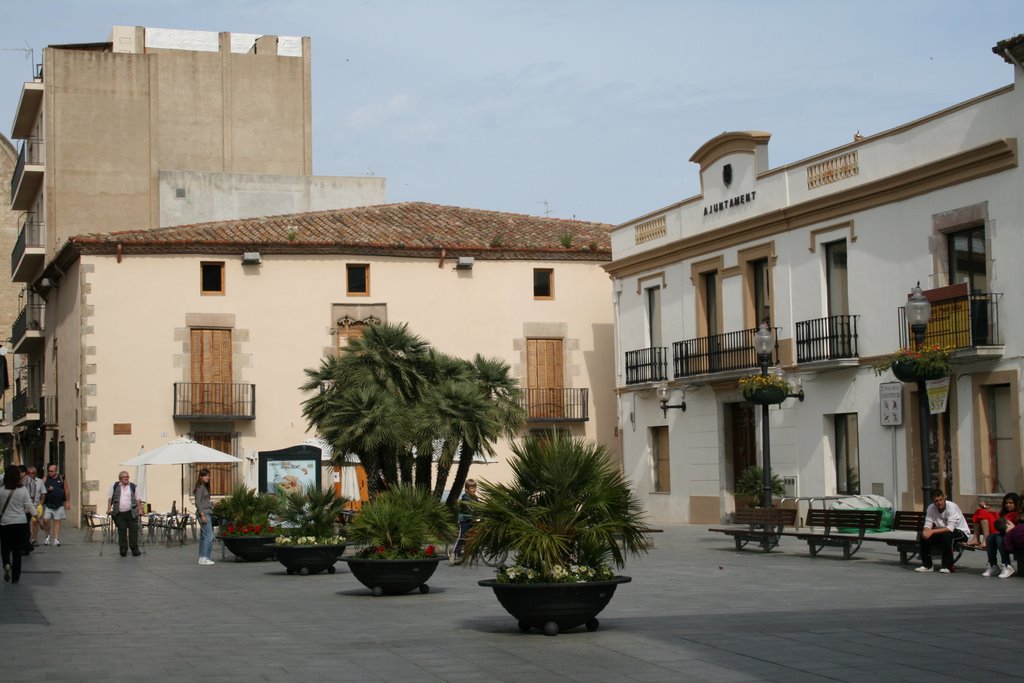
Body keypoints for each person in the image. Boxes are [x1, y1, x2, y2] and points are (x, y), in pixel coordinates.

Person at [915, 489, 971, 573]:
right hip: (943, 532)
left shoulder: (952, 507)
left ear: (944, 498)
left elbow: (950, 528)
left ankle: (948, 566)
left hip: (961, 533)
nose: (939, 503)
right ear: (933, 501)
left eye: (940, 500)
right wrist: (926, 531)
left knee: (947, 535)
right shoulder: (931, 508)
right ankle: (927, 565)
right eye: (936, 501)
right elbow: (928, 524)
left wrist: (932, 531)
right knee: (923, 537)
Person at [1, 467, 37, 583]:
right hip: (20, 523)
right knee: (17, 551)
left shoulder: (1, 490)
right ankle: (15, 577)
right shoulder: (23, 490)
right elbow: (30, 505)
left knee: (5, 546)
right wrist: (39, 520)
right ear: (18, 476)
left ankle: (6, 563)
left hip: (5, 523)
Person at [980, 492, 1020, 578]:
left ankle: (1007, 565)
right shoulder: (1004, 513)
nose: (1008, 505)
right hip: (1007, 537)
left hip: (1016, 540)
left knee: (999, 538)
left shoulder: (1017, 514)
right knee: (990, 537)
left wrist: (995, 514)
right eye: (1006, 503)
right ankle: (993, 565)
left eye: (1011, 503)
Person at [106, 471, 144, 557]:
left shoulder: (133, 486)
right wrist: (108, 509)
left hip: (131, 512)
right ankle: (123, 549)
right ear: (120, 479)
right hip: (119, 513)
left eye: (127, 476)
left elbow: (138, 499)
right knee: (122, 531)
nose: (126, 478)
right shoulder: (115, 486)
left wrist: (140, 509)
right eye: (124, 477)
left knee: (133, 531)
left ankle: (134, 549)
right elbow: (110, 498)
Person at [41, 465, 71, 547]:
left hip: (59, 504)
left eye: (51, 471)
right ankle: (48, 535)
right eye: (49, 471)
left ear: (55, 471)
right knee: (45, 519)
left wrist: (68, 501)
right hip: (48, 504)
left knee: (57, 521)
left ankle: (56, 539)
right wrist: (47, 489)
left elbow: (66, 489)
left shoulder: (61, 478)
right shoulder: (45, 478)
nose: (50, 472)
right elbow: (40, 488)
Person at [452, 479, 479, 563]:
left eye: (474, 487)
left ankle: (470, 551)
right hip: (464, 520)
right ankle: (454, 553)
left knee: (474, 535)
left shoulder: (475, 497)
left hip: (472, 519)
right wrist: (474, 515)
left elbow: (478, 508)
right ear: (467, 489)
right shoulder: (465, 497)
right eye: (471, 488)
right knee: (462, 536)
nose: (474, 489)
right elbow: (469, 508)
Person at [194, 468, 215, 566]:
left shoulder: (204, 487)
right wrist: (202, 515)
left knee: (204, 536)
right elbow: (198, 502)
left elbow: (203, 501)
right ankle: (205, 557)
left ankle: (202, 557)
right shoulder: (200, 487)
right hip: (204, 513)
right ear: (200, 477)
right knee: (209, 536)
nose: (208, 477)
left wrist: (212, 503)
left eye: (209, 475)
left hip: (207, 511)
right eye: (206, 475)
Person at [24, 467, 46, 547]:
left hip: (36, 505)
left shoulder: (40, 482)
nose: (30, 475)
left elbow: (43, 493)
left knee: (35, 523)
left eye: (32, 473)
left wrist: (41, 503)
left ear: (35, 474)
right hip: (26, 507)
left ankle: (34, 539)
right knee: (27, 524)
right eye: (29, 473)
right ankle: (28, 539)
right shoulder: (24, 482)